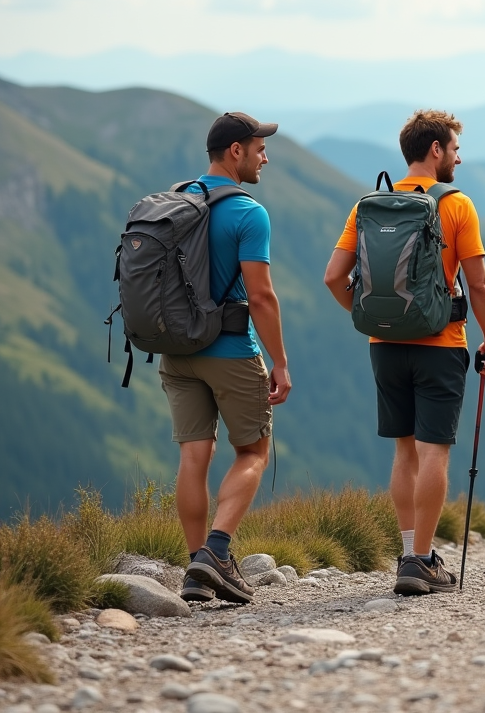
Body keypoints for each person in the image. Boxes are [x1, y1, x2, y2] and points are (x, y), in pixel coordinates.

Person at [324, 109, 485, 595]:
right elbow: (480, 282)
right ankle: (421, 561)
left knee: (404, 451)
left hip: (384, 345)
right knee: (434, 453)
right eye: (455, 149)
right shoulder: (456, 205)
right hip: (440, 344)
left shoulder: (369, 206)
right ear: (435, 151)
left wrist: (368, 319)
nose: (459, 159)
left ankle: (408, 552)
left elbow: (333, 278)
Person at [171, 112, 293, 604]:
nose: (265, 155)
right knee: (253, 452)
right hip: (230, 348)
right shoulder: (248, 212)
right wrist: (279, 362)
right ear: (235, 152)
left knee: (193, 455)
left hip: (177, 350)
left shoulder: (178, 199)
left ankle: (195, 568)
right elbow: (261, 297)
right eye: (258, 146)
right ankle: (216, 554)